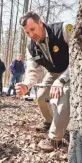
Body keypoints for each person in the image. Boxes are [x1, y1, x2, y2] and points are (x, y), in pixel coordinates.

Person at [15, 11, 72, 152]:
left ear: (40, 22)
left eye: (33, 29)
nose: (31, 35)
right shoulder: (31, 48)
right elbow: (33, 71)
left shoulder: (64, 29)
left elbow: (80, 57)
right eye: (27, 33)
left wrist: (62, 79)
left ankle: (55, 138)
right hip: (53, 72)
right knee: (41, 95)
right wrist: (26, 85)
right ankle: (49, 121)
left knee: (63, 94)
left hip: (72, 70)